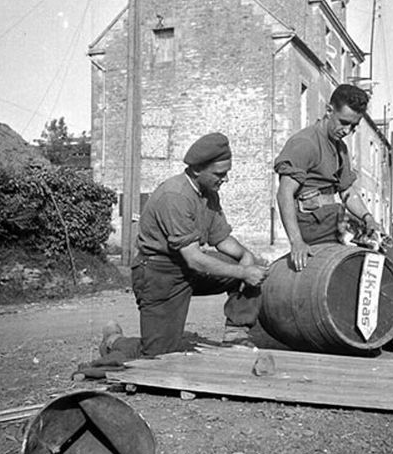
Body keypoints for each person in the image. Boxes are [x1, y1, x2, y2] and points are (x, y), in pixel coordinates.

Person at [274, 84, 393, 350]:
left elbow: (347, 192)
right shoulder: (304, 144)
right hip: (312, 227)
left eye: (353, 126)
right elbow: (284, 194)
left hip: (336, 223)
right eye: (344, 122)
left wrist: (368, 218)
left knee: (386, 246)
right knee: (357, 266)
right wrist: (296, 241)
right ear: (328, 110)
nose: (347, 130)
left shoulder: (340, 149)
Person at [100, 132, 269, 360]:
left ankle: (236, 334)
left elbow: (221, 239)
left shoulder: (209, 193)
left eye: (226, 173)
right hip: (158, 274)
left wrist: (246, 256)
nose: (226, 179)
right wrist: (243, 272)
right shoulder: (175, 195)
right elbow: (194, 259)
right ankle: (113, 342)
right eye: (220, 174)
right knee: (158, 356)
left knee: (247, 266)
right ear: (197, 169)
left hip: (187, 268)